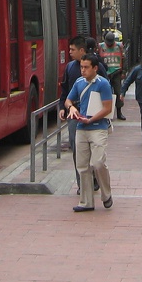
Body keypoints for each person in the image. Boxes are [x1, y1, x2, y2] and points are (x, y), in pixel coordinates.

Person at [65, 54, 114, 212]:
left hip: (98, 127)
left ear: (95, 68)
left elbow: (107, 108)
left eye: (86, 67)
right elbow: (68, 100)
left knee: (98, 163)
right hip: (82, 128)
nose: (83, 70)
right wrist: (71, 108)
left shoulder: (103, 84)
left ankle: (106, 194)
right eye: (81, 67)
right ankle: (86, 202)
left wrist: (91, 119)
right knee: (82, 166)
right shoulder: (79, 82)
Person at [59, 36, 106, 194]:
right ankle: (82, 184)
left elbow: (106, 91)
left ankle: (94, 178)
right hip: (75, 115)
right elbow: (65, 90)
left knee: (94, 152)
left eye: (72, 50)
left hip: (94, 115)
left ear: (81, 50)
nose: (69, 52)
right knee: (77, 149)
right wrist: (63, 107)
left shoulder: (97, 67)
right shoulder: (70, 68)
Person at [99, 32, 126, 120]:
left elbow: (123, 59)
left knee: (118, 92)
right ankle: (107, 113)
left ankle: (119, 112)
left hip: (116, 72)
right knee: (106, 93)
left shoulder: (119, 46)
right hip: (105, 73)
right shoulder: (100, 46)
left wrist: (123, 71)